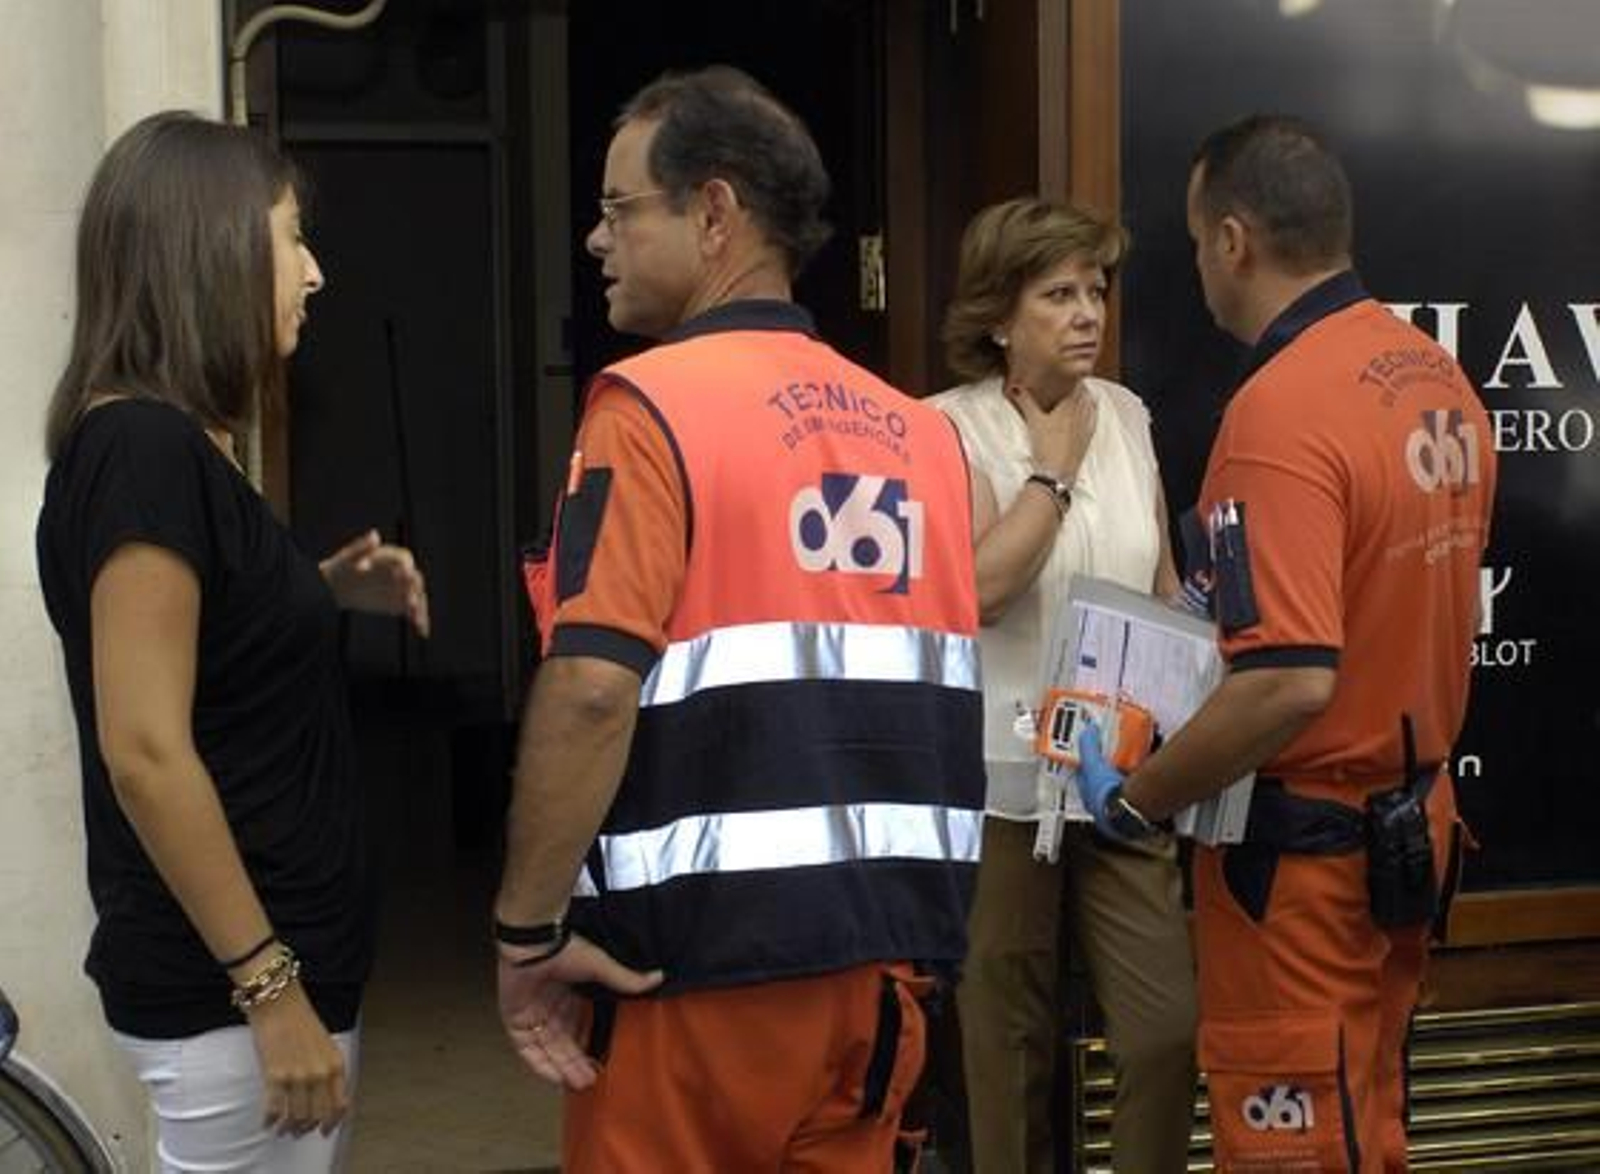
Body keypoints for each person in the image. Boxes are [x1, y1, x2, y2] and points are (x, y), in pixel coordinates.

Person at [494, 65, 986, 1173]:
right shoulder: (923, 437)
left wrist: (525, 933)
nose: (595, 239)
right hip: (887, 977)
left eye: (621, 210)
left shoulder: (650, 408)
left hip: (695, 982)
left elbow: (590, 688)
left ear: (714, 213)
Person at [1072, 114, 1495, 1172]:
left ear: (1231, 241)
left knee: (1301, 1147)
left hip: (1305, 871)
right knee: (1368, 1125)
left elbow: (1286, 679)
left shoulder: (1277, 410)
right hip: (1408, 836)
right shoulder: (1434, 377)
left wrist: (1137, 796)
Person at [36, 111, 429, 1173]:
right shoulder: (144, 453)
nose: (314, 271)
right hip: (234, 1001)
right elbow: (147, 750)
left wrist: (318, 588)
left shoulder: (163, 449)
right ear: (208, 248)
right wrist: (270, 987)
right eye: (291, 236)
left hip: (256, 990)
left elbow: (199, 650)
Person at [928, 198, 1197, 1173]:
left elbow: (1161, 586)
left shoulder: (1127, 414)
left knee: (1162, 1028)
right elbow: (982, 590)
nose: (1087, 312)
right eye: (1058, 293)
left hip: (1120, 775)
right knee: (1004, 1049)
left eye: (1096, 289)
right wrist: (1047, 474)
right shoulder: (942, 429)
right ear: (1001, 314)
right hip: (1000, 784)